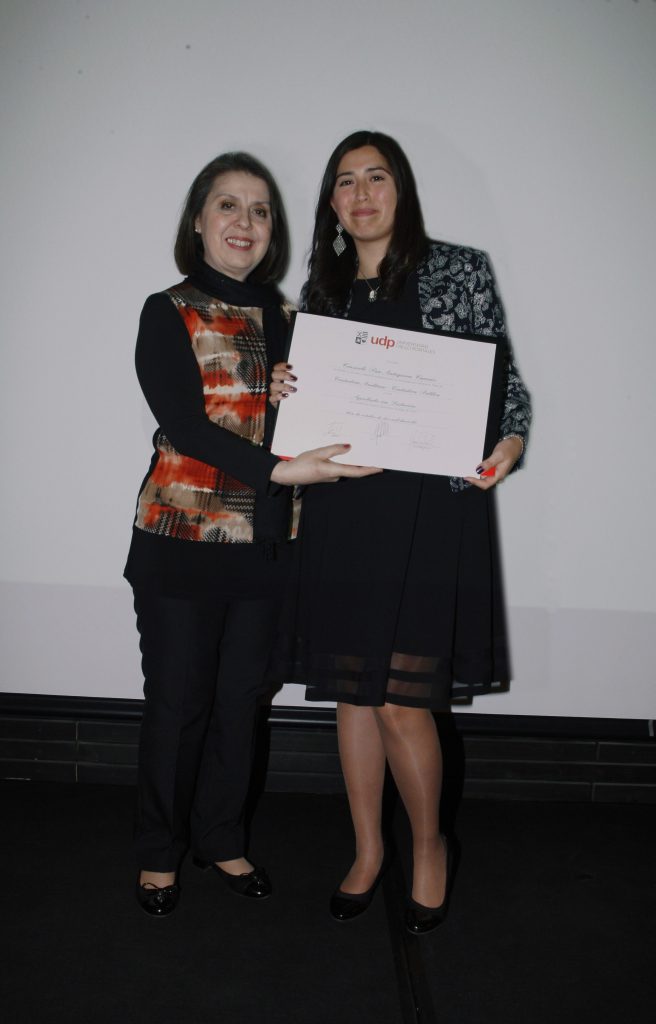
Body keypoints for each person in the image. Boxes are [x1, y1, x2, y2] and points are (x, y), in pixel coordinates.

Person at [271, 131, 531, 934]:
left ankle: (427, 847)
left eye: (375, 177)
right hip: (343, 513)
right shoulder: (319, 294)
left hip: (429, 516)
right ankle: (366, 850)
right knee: (353, 697)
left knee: (400, 704)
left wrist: (509, 443)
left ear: (400, 189)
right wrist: (282, 386)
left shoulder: (458, 269)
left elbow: (505, 387)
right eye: (345, 182)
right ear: (332, 203)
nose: (361, 194)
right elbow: (305, 408)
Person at [124, 151, 379, 917]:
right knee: (178, 705)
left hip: (268, 546)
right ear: (198, 222)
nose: (245, 221)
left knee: (241, 704)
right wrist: (280, 467)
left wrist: (311, 406)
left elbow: (314, 424)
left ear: (273, 229)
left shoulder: (296, 323)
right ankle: (158, 852)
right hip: (181, 541)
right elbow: (185, 425)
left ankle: (221, 838)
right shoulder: (167, 310)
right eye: (228, 205)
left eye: (260, 209)